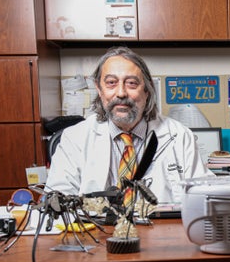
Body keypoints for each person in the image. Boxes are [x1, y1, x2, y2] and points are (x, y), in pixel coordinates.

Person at [46, 46, 213, 204]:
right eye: (111, 82)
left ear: (147, 91)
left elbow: (204, 196)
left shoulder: (179, 136)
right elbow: (57, 202)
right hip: (96, 232)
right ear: (99, 89)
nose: (121, 93)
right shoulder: (75, 138)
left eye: (131, 83)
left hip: (161, 230)